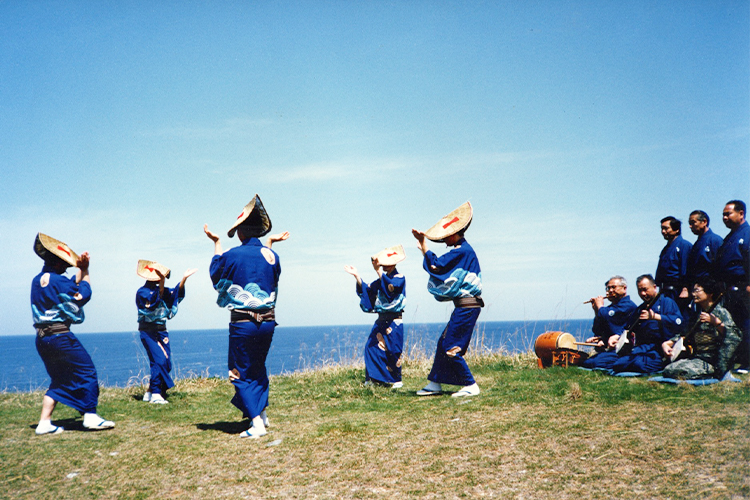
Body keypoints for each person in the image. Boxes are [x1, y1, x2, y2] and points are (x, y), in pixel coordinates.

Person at [204, 194, 289, 439]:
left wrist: (217, 244)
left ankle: (256, 424)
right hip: (268, 321)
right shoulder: (272, 256)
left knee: (239, 370)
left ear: (240, 232)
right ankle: (261, 414)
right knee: (258, 367)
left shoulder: (232, 255)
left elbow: (216, 277)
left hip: (243, 322)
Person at [30, 233, 114, 435]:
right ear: (60, 264)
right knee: (87, 371)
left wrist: (80, 270)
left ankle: (44, 423)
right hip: (60, 336)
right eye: (66, 265)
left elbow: (65, 286)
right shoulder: (60, 282)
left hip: (42, 338)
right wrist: (85, 270)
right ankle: (90, 416)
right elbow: (82, 294)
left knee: (58, 378)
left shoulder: (38, 280)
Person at [411, 201, 483, 397]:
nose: (444, 241)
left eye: (445, 237)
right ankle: (435, 383)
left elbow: (437, 267)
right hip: (466, 305)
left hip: (467, 306)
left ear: (453, 234)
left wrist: (424, 246)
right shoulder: (462, 250)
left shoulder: (462, 251)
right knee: (443, 343)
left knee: (451, 346)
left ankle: (470, 385)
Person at [344, 245, 406, 388]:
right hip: (381, 320)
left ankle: (395, 380)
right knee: (371, 347)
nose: (383, 266)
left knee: (393, 350)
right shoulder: (380, 280)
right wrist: (357, 276)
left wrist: (378, 271)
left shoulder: (399, 278)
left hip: (394, 321)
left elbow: (391, 289)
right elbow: (368, 290)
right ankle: (372, 379)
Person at [136, 259, 197, 404]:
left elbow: (175, 293)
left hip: (162, 331)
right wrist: (162, 283)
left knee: (165, 362)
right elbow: (151, 303)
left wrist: (184, 279)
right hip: (148, 331)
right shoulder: (142, 292)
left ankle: (150, 391)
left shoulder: (161, 289)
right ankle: (157, 394)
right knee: (160, 360)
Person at [662, 278, 741, 380]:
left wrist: (716, 322)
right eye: (693, 291)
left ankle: (718, 373)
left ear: (709, 293)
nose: (693, 294)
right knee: (669, 369)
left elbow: (735, 335)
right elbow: (684, 333)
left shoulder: (721, 312)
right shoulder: (696, 314)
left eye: (697, 290)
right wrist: (667, 343)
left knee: (682, 371)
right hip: (699, 358)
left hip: (715, 360)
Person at [609, 274, 683, 374]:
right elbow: (628, 327)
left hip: (660, 348)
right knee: (618, 364)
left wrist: (656, 317)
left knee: (639, 364)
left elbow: (679, 321)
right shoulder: (640, 309)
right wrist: (616, 336)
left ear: (654, 287)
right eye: (640, 290)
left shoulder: (667, 302)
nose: (643, 293)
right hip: (642, 349)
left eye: (645, 289)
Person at [713, 200, 750, 371]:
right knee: (732, 324)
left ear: (741, 213)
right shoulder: (729, 237)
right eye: (723, 215)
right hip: (728, 289)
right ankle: (735, 358)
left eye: (728, 214)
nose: (724, 218)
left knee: (746, 322)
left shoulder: (747, 233)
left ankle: (748, 361)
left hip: (743, 286)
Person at [579, 276, 638, 370]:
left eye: (613, 287)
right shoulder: (611, 308)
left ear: (624, 288)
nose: (610, 291)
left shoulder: (628, 306)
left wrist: (600, 307)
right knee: (587, 362)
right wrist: (596, 310)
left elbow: (609, 316)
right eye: (608, 288)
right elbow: (597, 329)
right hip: (610, 348)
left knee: (595, 363)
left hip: (622, 349)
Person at [655, 216, 693, 317]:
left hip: (677, 290)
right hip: (665, 291)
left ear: (676, 229)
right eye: (662, 229)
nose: (663, 231)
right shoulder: (665, 249)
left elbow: (686, 269)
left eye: (666, 228)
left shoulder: (684, 245)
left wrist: (685, 289)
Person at [685, 210, 723, 288]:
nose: (690, 226)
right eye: (689, 223)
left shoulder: (715, 240)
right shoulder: (696, 244)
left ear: (704, 222)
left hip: (710, 286)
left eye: (693, 222)